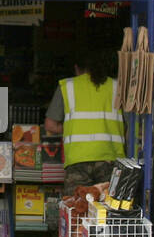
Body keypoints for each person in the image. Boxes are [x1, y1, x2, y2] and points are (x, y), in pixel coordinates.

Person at [44, 46, 125, 197]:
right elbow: (128, 125)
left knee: (76, 209)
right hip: (109, 159)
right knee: (107, 211)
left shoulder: (67, 87)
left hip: (77, 161)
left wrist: (72, 127)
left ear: (76, 68)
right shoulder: (117, 87)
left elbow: (50, 125)